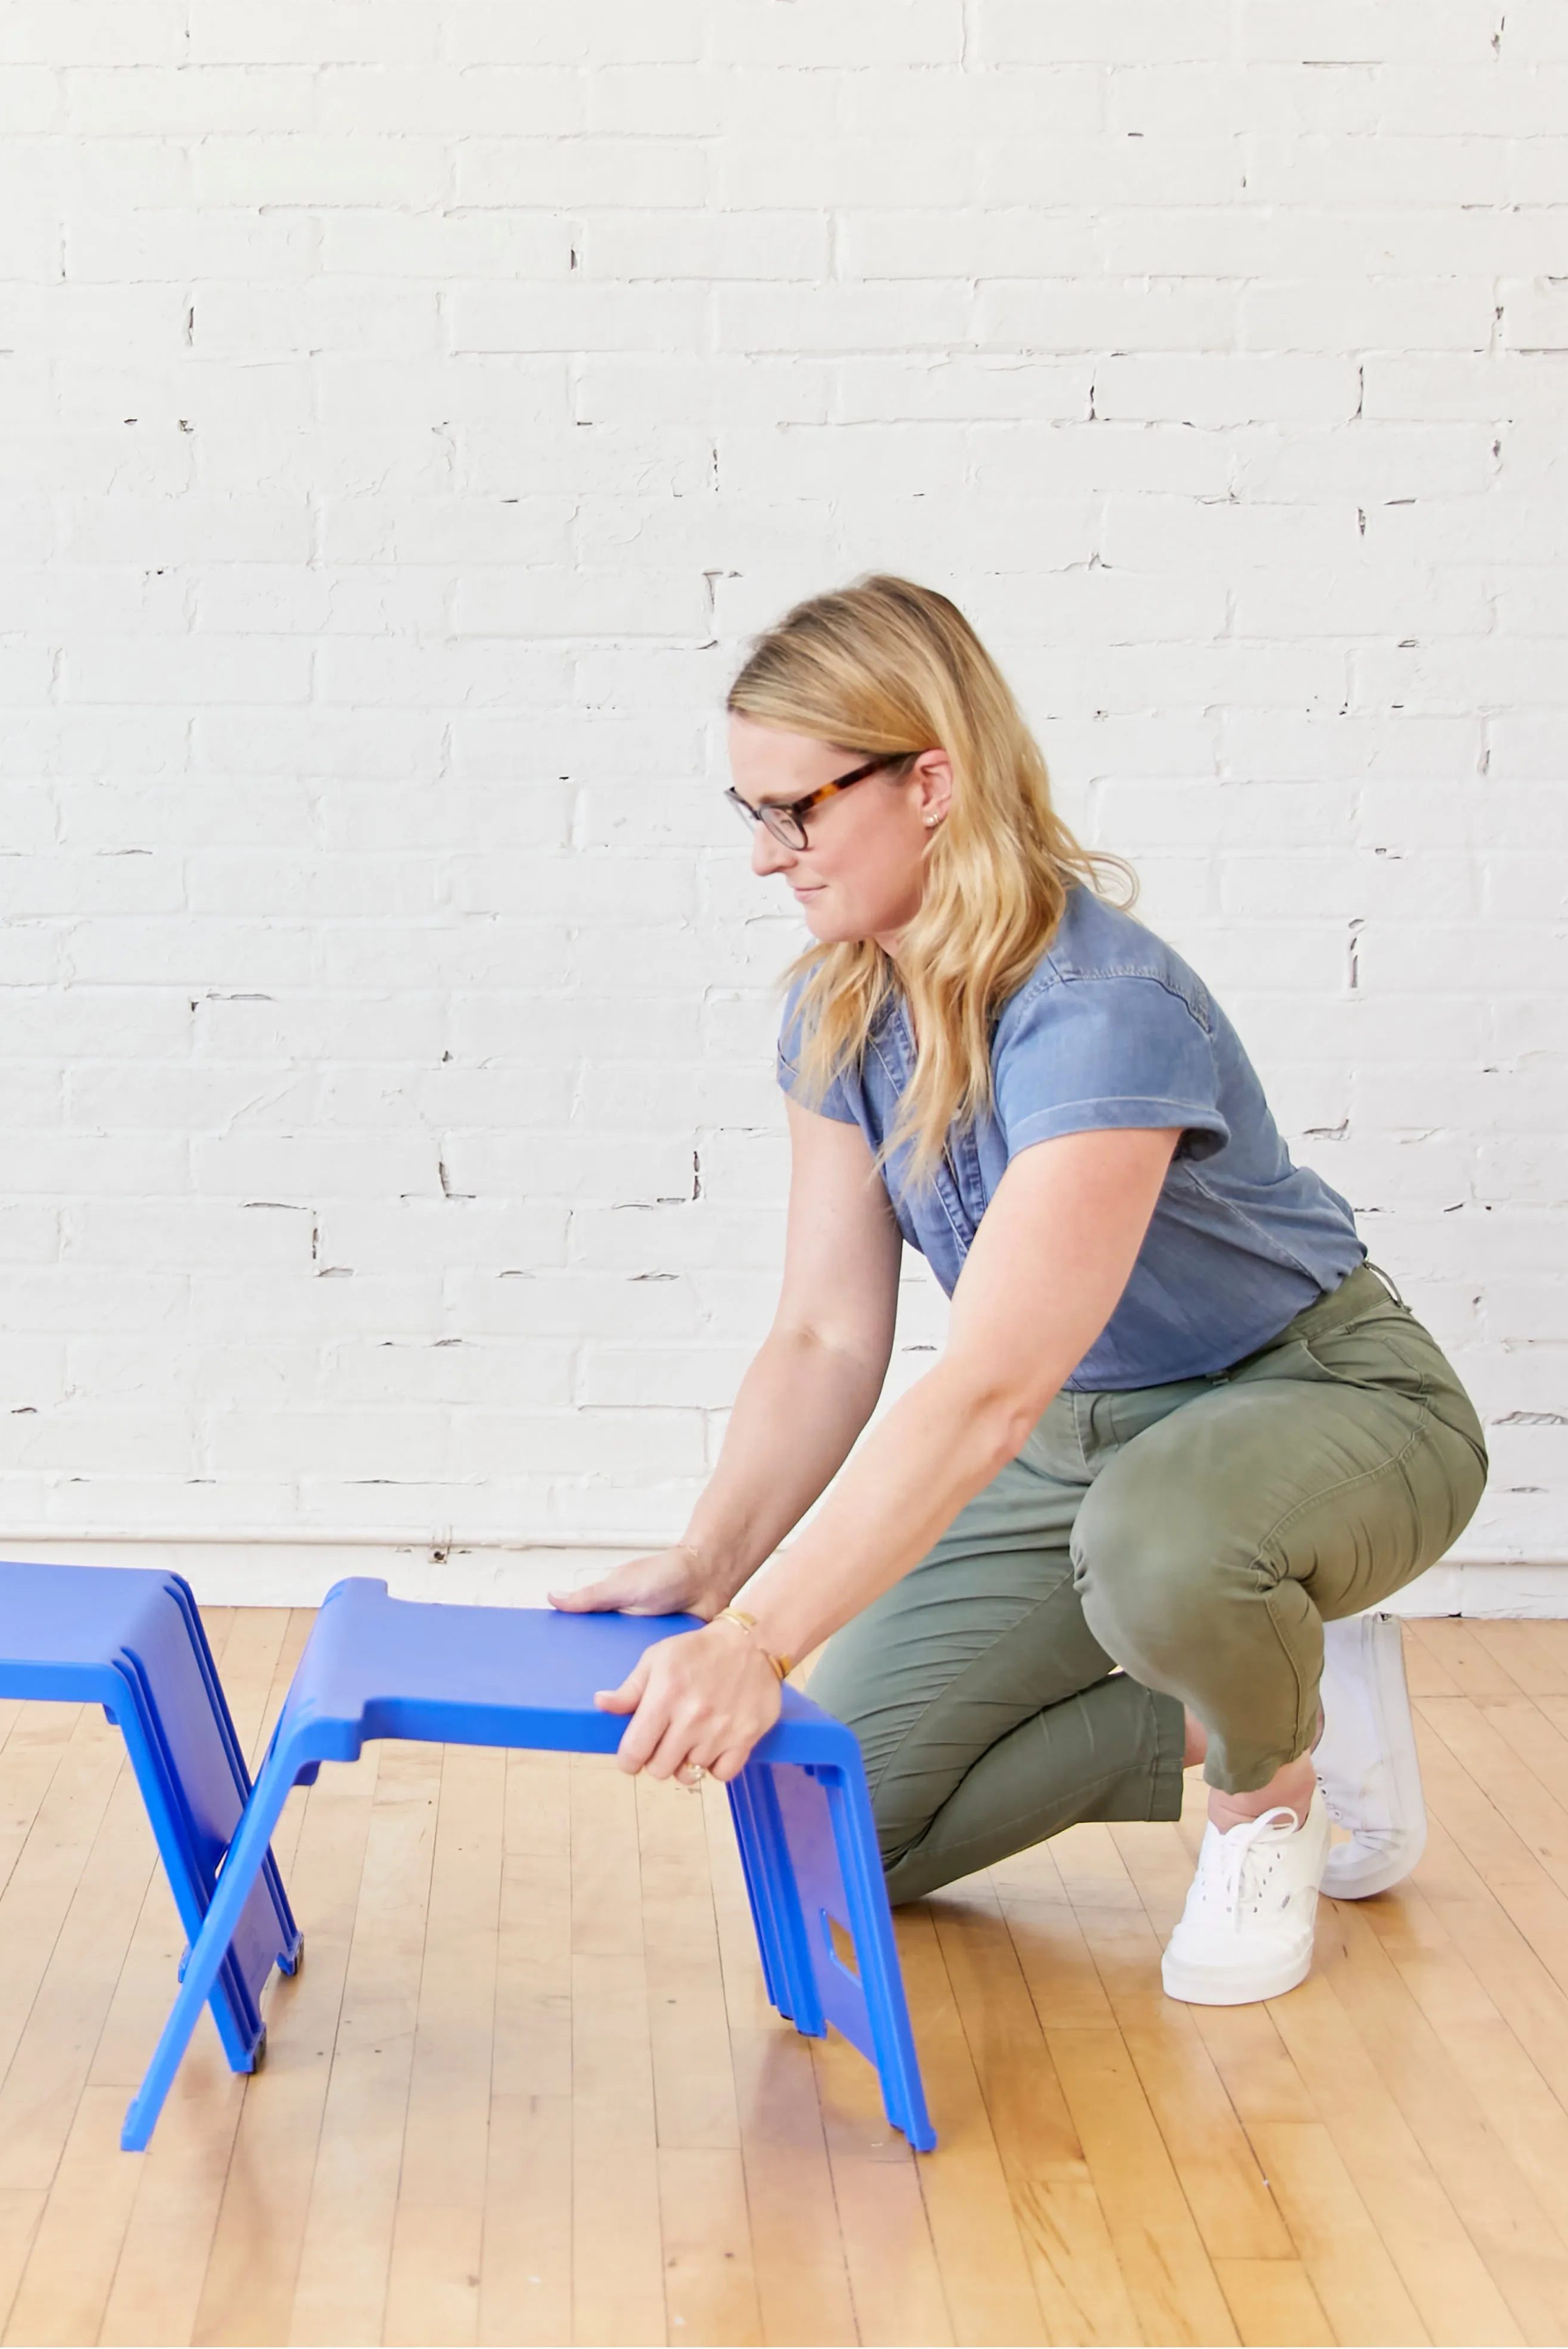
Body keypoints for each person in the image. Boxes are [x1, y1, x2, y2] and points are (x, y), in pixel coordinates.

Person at [554, 576, 1487, 2005]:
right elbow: (823, 1329)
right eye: (750, 812)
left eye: (794, 809)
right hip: (1083, 1436)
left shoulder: (1097, 1010)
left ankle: (1268, 1798)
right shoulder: (839, 1003)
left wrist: (757, 1646)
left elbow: (985, 1386)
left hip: (1317, 1394)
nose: (766, 857)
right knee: (843, 1818)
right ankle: (1282, 1680)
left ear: (929, 779)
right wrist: (713, 1566)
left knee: (1162, 1545)